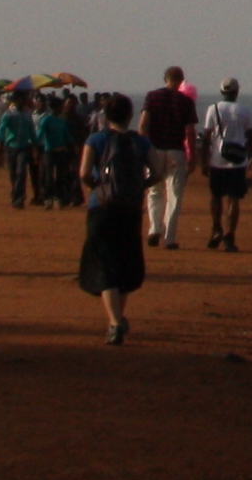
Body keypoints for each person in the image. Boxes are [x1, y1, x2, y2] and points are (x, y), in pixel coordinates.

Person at [76, 109, 151, 344]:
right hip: (130, 207)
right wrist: (139, 187)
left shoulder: (96, 139)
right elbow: (158, 171)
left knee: (104, 263)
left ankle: (115, 322)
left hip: (102, 207)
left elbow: (84, 173)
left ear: (107, 116)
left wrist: (97, 188)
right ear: (129, 116)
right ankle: (118, 316)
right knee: (125, 262)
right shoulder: (141, 142)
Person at [137, 68, 196, 249]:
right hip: (175, 151)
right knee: (174, 195)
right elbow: (190, 131)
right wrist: (192, 156)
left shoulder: (152, 97)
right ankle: (169, 237)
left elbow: (143, 125)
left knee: (154, 191)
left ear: (165, 79)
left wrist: (142, 148)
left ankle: (154, 229)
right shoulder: (186, 101)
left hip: (154, 150)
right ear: (181, 80)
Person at [196, 78, 252, 252]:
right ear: (237, 92)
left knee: (216, 196)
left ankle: (216, 228)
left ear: (222, 92)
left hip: (217, 159)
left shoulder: (213, 109)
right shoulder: (245, 110)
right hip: (237, 161)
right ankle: (229, 235)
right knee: (234, 199)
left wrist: (204, 161)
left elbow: (206, 137)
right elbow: (250, 137)